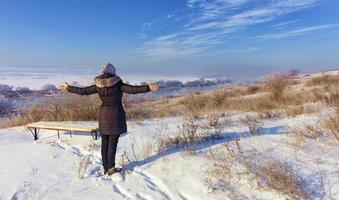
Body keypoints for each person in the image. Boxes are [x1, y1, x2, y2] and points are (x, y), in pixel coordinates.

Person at [59, 63, 158, 175]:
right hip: (115, 115)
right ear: (113, 72)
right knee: (113, 142)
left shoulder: (98, 85)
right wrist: (148, 88)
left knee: (105, 141)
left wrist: (69, 88)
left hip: (104, 115)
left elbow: (84, 91)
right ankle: (110, 168)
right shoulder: (117, 83)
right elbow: (132, 89)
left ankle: (106, 168)